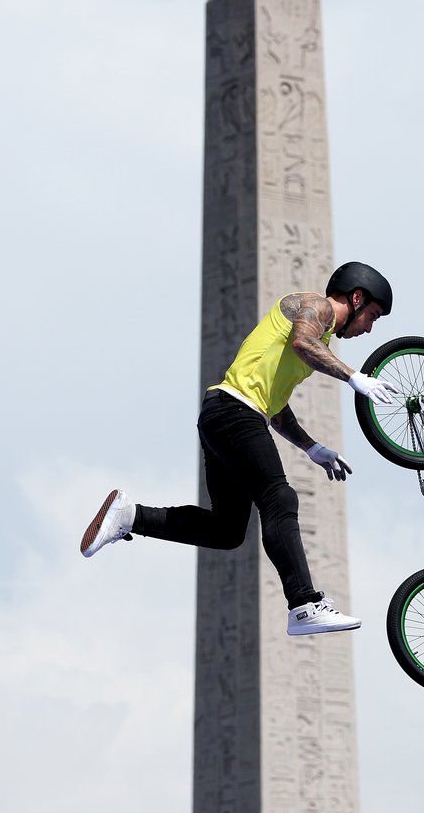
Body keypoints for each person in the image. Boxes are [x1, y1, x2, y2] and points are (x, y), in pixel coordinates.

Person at [79, 261, 396, 636]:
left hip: (226, 415)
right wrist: (353, 377)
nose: (369, 328)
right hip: (234, 412)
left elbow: (274, 405)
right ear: (356, 298)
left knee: (227, 531)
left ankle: (130, 516)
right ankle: (304, 604)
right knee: (279, 498)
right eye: (372, 316)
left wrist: (312, 448)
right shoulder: (316, 306)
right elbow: (301, 342)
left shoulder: (320, 340)